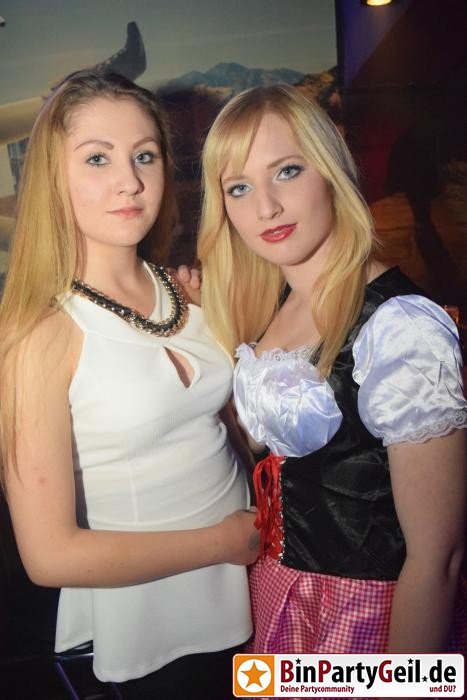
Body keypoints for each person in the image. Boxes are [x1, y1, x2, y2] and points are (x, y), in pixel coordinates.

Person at [0, 70, 258, 699]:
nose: (131, 181)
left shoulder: (186, 291)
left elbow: (226, 435)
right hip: (162, 623)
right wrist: (222, 542)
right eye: (98, 158)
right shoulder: (40, 333)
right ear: (52, 178)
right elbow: (49, 556)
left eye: (145, 155)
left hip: (258, 582)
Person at [197, 84, 467, 656]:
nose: (265, 207)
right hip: (276, 597)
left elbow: (438, 559)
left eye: (287, 171)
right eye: (239, 188)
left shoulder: (401, 326)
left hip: (368, 616)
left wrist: (402, 686)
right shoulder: (273, 303)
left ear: (330, 169)